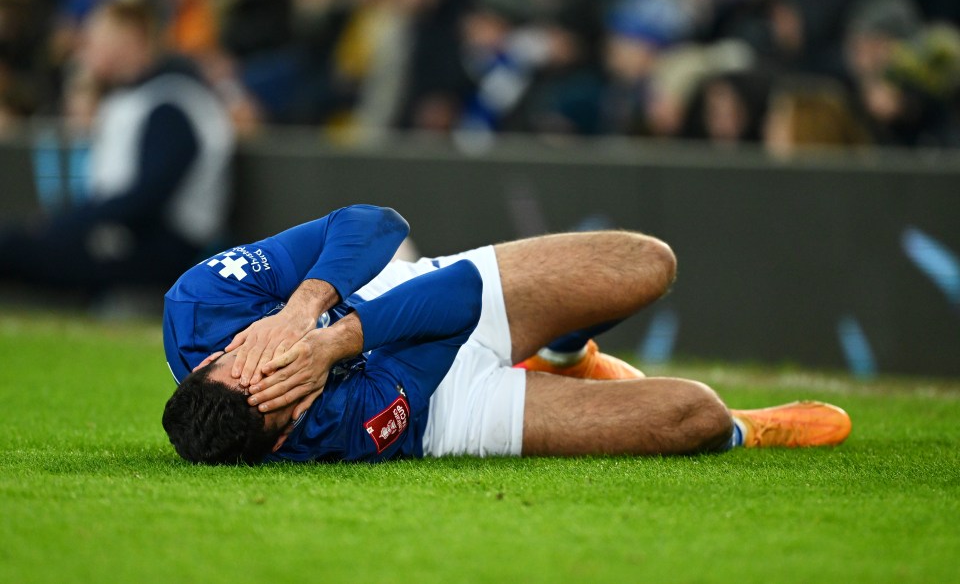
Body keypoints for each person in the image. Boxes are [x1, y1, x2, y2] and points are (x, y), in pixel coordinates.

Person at [161, 204, 852, 464]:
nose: (276, 358)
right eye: (283, 387)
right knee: (693, 416)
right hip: (442, 408)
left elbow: (375, 224)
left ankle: (562, 353)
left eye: (252, 355)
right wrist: (336, 346)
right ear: (282, 436)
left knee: (647, 264)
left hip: (407, 288)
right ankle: (751, 429)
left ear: (213, 357)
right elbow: (455, 307)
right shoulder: (336, 431)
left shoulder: (198, 305)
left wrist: (300, 310)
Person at [0, 0, 234, 295]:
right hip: (127, 235)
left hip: (163, 249)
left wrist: (68, 225)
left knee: (13, 247)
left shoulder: (171, 102)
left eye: (97, 38)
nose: (87, 49)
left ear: (131, 40)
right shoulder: (134, 98)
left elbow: (148, 196)